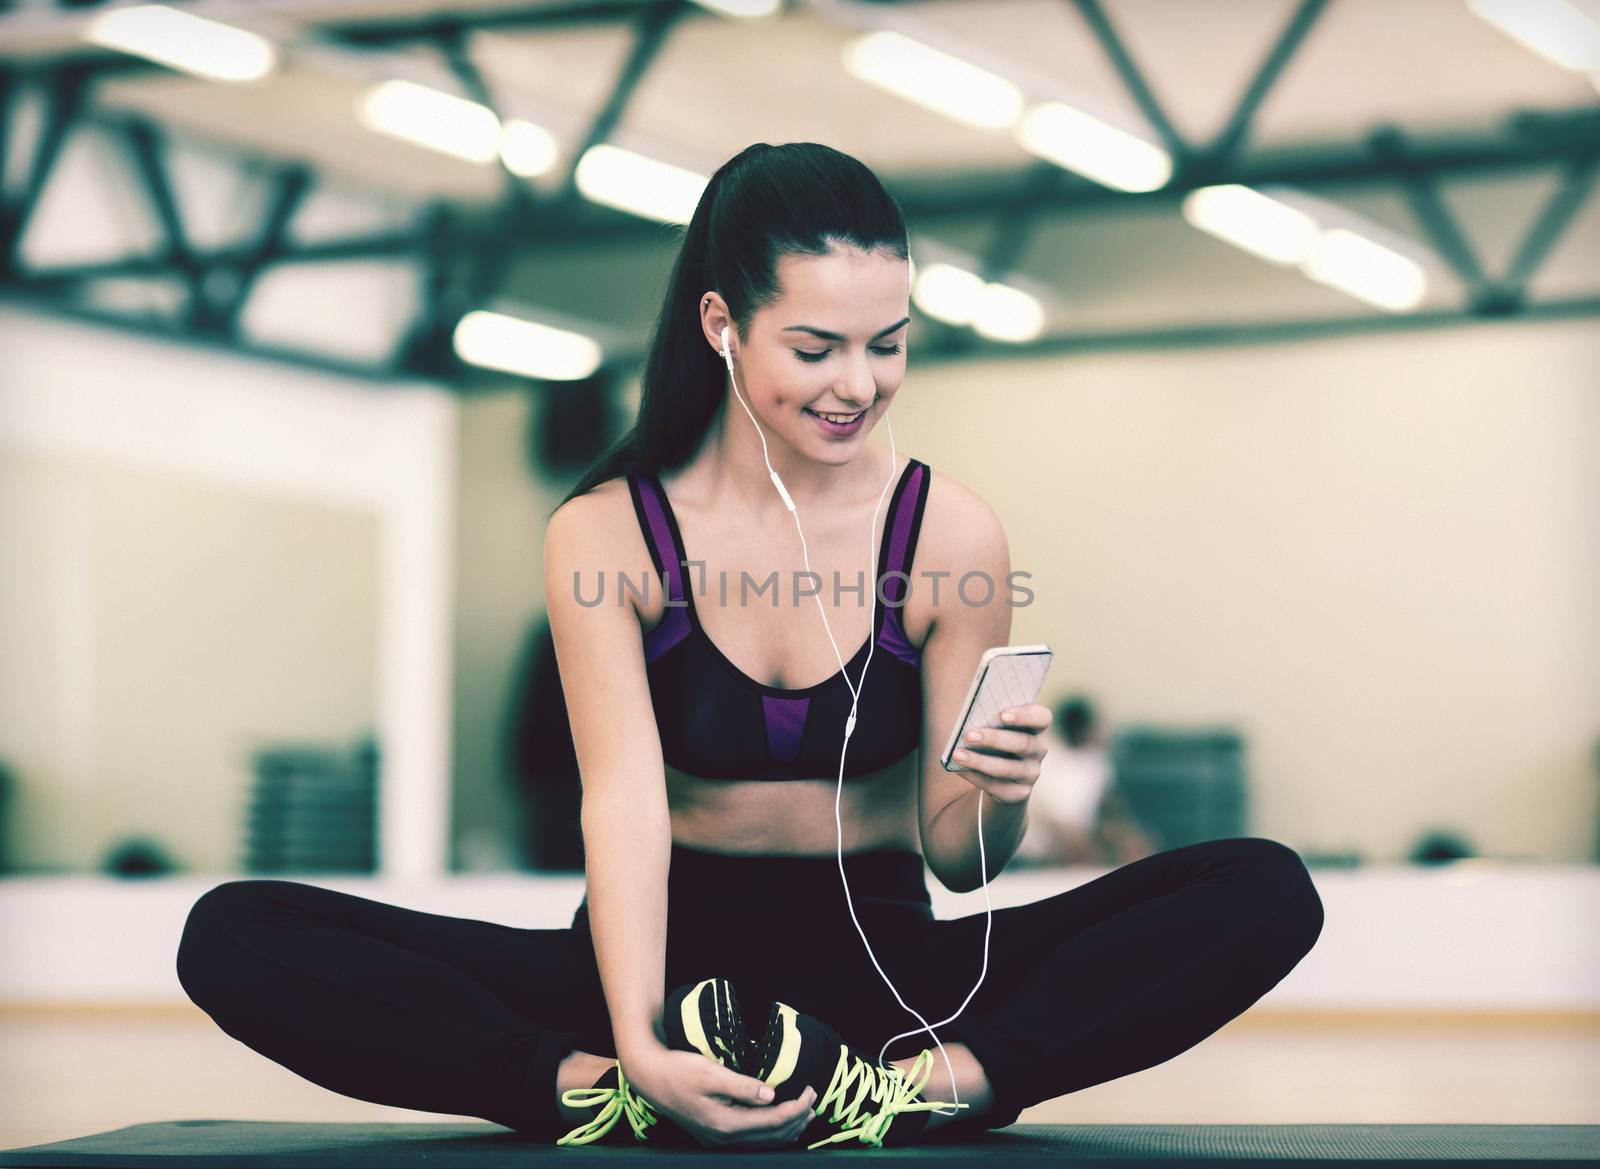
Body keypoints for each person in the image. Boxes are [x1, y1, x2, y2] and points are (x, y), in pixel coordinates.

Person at [173, 142, 1324, 1153]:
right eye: (816, 347)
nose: (857, 385)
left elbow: (959, 859)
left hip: (885, 979)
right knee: (236, 932)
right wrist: (633, 1039)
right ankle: (601, 1093)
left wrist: (1001, 793)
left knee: (1262, 887)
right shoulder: (606, 533)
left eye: (888, 344)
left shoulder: (952, 533)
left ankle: (920, 1090)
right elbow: (620, 802)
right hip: (656, 964)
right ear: (722, 324)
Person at [1013, 696, 1158, 867]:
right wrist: (1082, 842)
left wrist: (1126, 835)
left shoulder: (1097, 759)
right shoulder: (1045, 757)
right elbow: (1048, 818)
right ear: (1082, 728)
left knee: (1136, 844)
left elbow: (1110, 806)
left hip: (1087, 836)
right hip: (1049, 843)